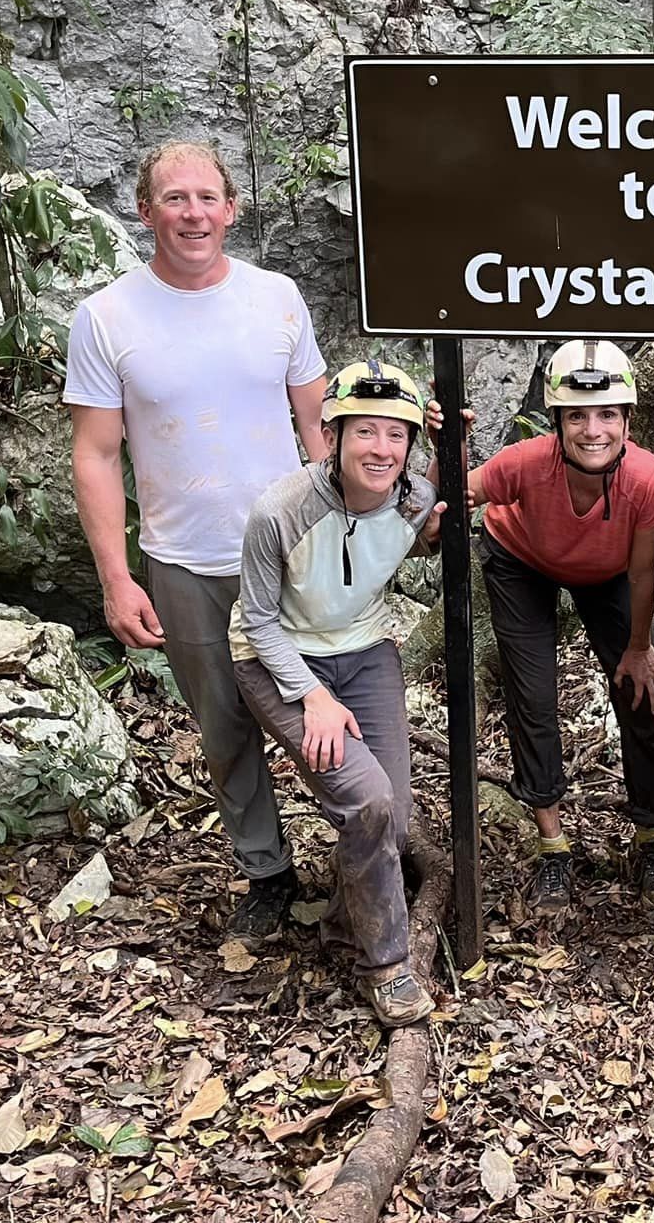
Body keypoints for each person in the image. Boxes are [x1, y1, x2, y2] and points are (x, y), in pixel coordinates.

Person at [65, 140, 328, 945]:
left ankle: (369, 844)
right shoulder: (107, 317)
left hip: (294, 548)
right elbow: (97, 453)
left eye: (208, 198)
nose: (193, 213)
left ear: (232, 209)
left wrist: (355, 533)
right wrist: (117, 575)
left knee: (331, 703)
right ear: (145, 212)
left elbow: (320, 429)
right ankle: (266, 872)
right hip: (184, 559)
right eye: (175, 199)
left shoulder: (277, 298)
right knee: (224, 725)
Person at [226, 361, 443, 1026]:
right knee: (367, 798)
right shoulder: (281, 511)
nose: (381, 448)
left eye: (395, 435)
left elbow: (429, 538)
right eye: (365, 433)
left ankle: (348, 911)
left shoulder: (412, 498)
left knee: (394, 820)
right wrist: (309, 695)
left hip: (365, 649)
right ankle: (386, 964)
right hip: (278, 659)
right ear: (331, 434)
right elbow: (258, 617)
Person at [464, 341, 654, 917]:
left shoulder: (648, 480)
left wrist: (637, 648)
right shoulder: (526, 463)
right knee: (532, 694)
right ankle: (552, 843)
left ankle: (650, 836)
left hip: (608, 571)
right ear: (557, 421)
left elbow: (642, 573)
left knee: (645, 693)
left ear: (628, 421)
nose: (592, 430)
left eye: (607, 414)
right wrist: (447, 452)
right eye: (576, 416)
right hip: (521, 559)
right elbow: (464, 492)